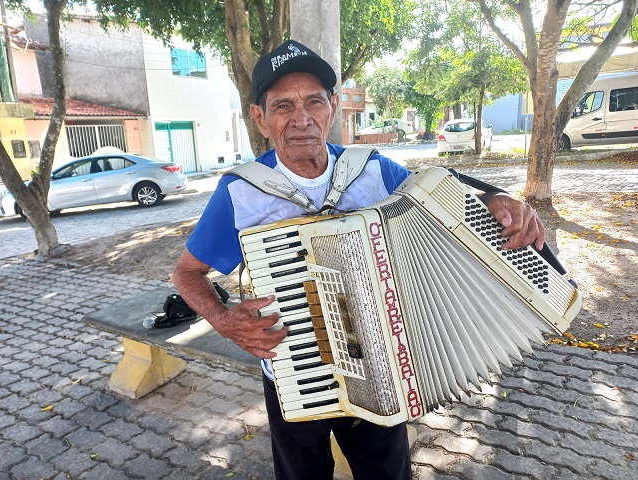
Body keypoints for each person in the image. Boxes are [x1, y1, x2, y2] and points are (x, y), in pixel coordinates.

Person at [172, 39, 545, 480]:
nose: (301, 119)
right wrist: (223, 319)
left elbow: (442, 194)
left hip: (381, 365)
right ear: (260, 116)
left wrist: (495, 197)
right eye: (283, 106)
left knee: (387, 472)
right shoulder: (240, 191)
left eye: (314, 101)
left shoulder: (373, 169)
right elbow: (186, 273)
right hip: (293, 371)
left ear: (333, 107)